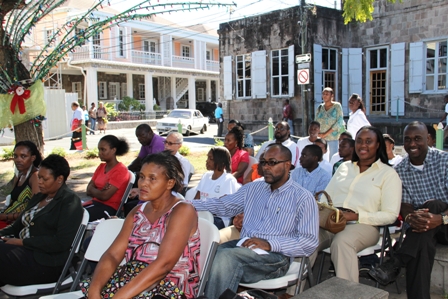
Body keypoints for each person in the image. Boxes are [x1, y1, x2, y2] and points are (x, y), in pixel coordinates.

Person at [190, 144, 319, 298]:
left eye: (272, 162)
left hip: (275, 257)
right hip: (244, 245)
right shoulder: (253, 189)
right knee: (204, 253)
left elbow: (309, 242)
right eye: (263, 162)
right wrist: (187, 205)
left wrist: (270, 244)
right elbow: (224, 205)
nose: (265, 167)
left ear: (287, 165)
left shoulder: (303, 198)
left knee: (224, 259)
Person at [85, 152, 200, 299]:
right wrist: (94, 292)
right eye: (142, 177)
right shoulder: (137, 212)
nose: (143, 183)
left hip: (169, 289)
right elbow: (112, 255)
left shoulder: (182, 211)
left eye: (152, 179)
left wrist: (118, 297)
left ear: (169, 183)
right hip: (132, 281)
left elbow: (164, 265)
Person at [369, 122, 448, 299]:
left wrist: (441, 219)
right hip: (423, 229)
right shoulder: (400, 171)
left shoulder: (444, 161)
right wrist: (411, 218)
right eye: (407, 140)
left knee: (433, 205)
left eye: (418, 139)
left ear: (428, 139)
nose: (412, 144)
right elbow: (405, 206)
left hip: (446, 224)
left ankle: (396, 261)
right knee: (422, 243)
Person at [317, 126, 401, 283]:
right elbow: (325, 199)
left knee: (342, 242)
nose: (363, 145)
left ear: (378, 145)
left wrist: (355, 216)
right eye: (360, 141)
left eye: (369, 141)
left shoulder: (388, 174)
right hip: (332, 221)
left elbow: (390, 215)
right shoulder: (344, 167)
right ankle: (292, 292)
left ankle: (348, 293)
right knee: (306, 236)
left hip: (364, 226)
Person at [0, 154, 83, 287]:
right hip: (25, 254)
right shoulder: (38, 197)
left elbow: (61, 242)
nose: (39, 182)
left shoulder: (69, 201)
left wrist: (22, 242)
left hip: (46, 261)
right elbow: (16, 227)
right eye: (39, 177)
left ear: (60, 179)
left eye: (45, 179)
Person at [85, 135, 130, 221]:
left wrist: (94, 189)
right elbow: (88, 190)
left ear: (113, 150)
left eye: (103, 149)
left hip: (109, 208)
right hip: (95, 204)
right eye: (99, 149)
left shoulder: (121, 170)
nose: (100, 153)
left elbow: (105, 196)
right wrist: (99, 191)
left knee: (76, 216)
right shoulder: (101, 167)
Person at [194, 147, 240, 228]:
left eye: (210, 158)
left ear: (221, 162)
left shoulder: (228, 180)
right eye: (207, 157)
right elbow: (196, 199)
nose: (207, 161)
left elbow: (225, 207)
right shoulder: (206, 176)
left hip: (218, 218)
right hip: (201, 215)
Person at [0, 141, 42, 229]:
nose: (18, 160)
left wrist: (7, 216)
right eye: (15, 156)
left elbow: (35, 209)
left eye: (23, 156)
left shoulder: (35, 176)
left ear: (33, 158)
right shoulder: (19, 175)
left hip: (19, 224)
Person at [315, 87, 345, 158]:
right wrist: (318, 133)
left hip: (333, 138)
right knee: (321, 158)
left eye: (327, 94)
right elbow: (316, 121)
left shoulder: (337, 106)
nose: (324, 96)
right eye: (323, 94)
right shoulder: (320, 107)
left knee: (332, 158)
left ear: (332, 96)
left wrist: (326, 134)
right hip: (321, 139)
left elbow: (339, 121)